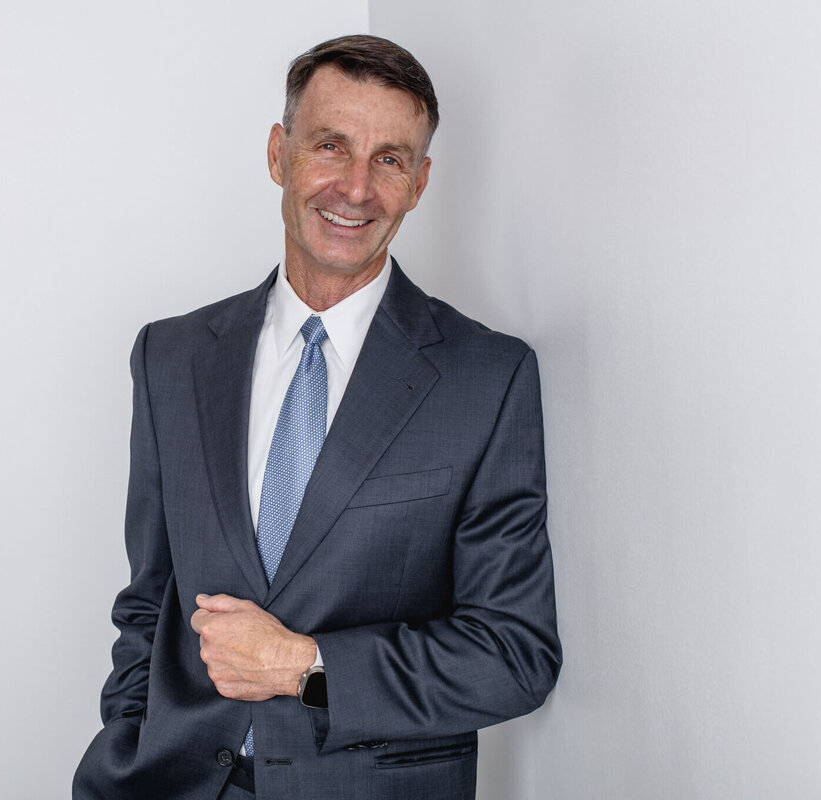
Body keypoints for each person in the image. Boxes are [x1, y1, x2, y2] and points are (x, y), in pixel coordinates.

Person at [73, 34, 560, 800]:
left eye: (390, 159)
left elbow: (514, 656)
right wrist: (128, 739)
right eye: (331, 146)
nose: (357, 188)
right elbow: (149, 601)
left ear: (421, 181)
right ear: (280, 153)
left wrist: (305, 668)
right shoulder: (170, 357)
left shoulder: (485, 378)